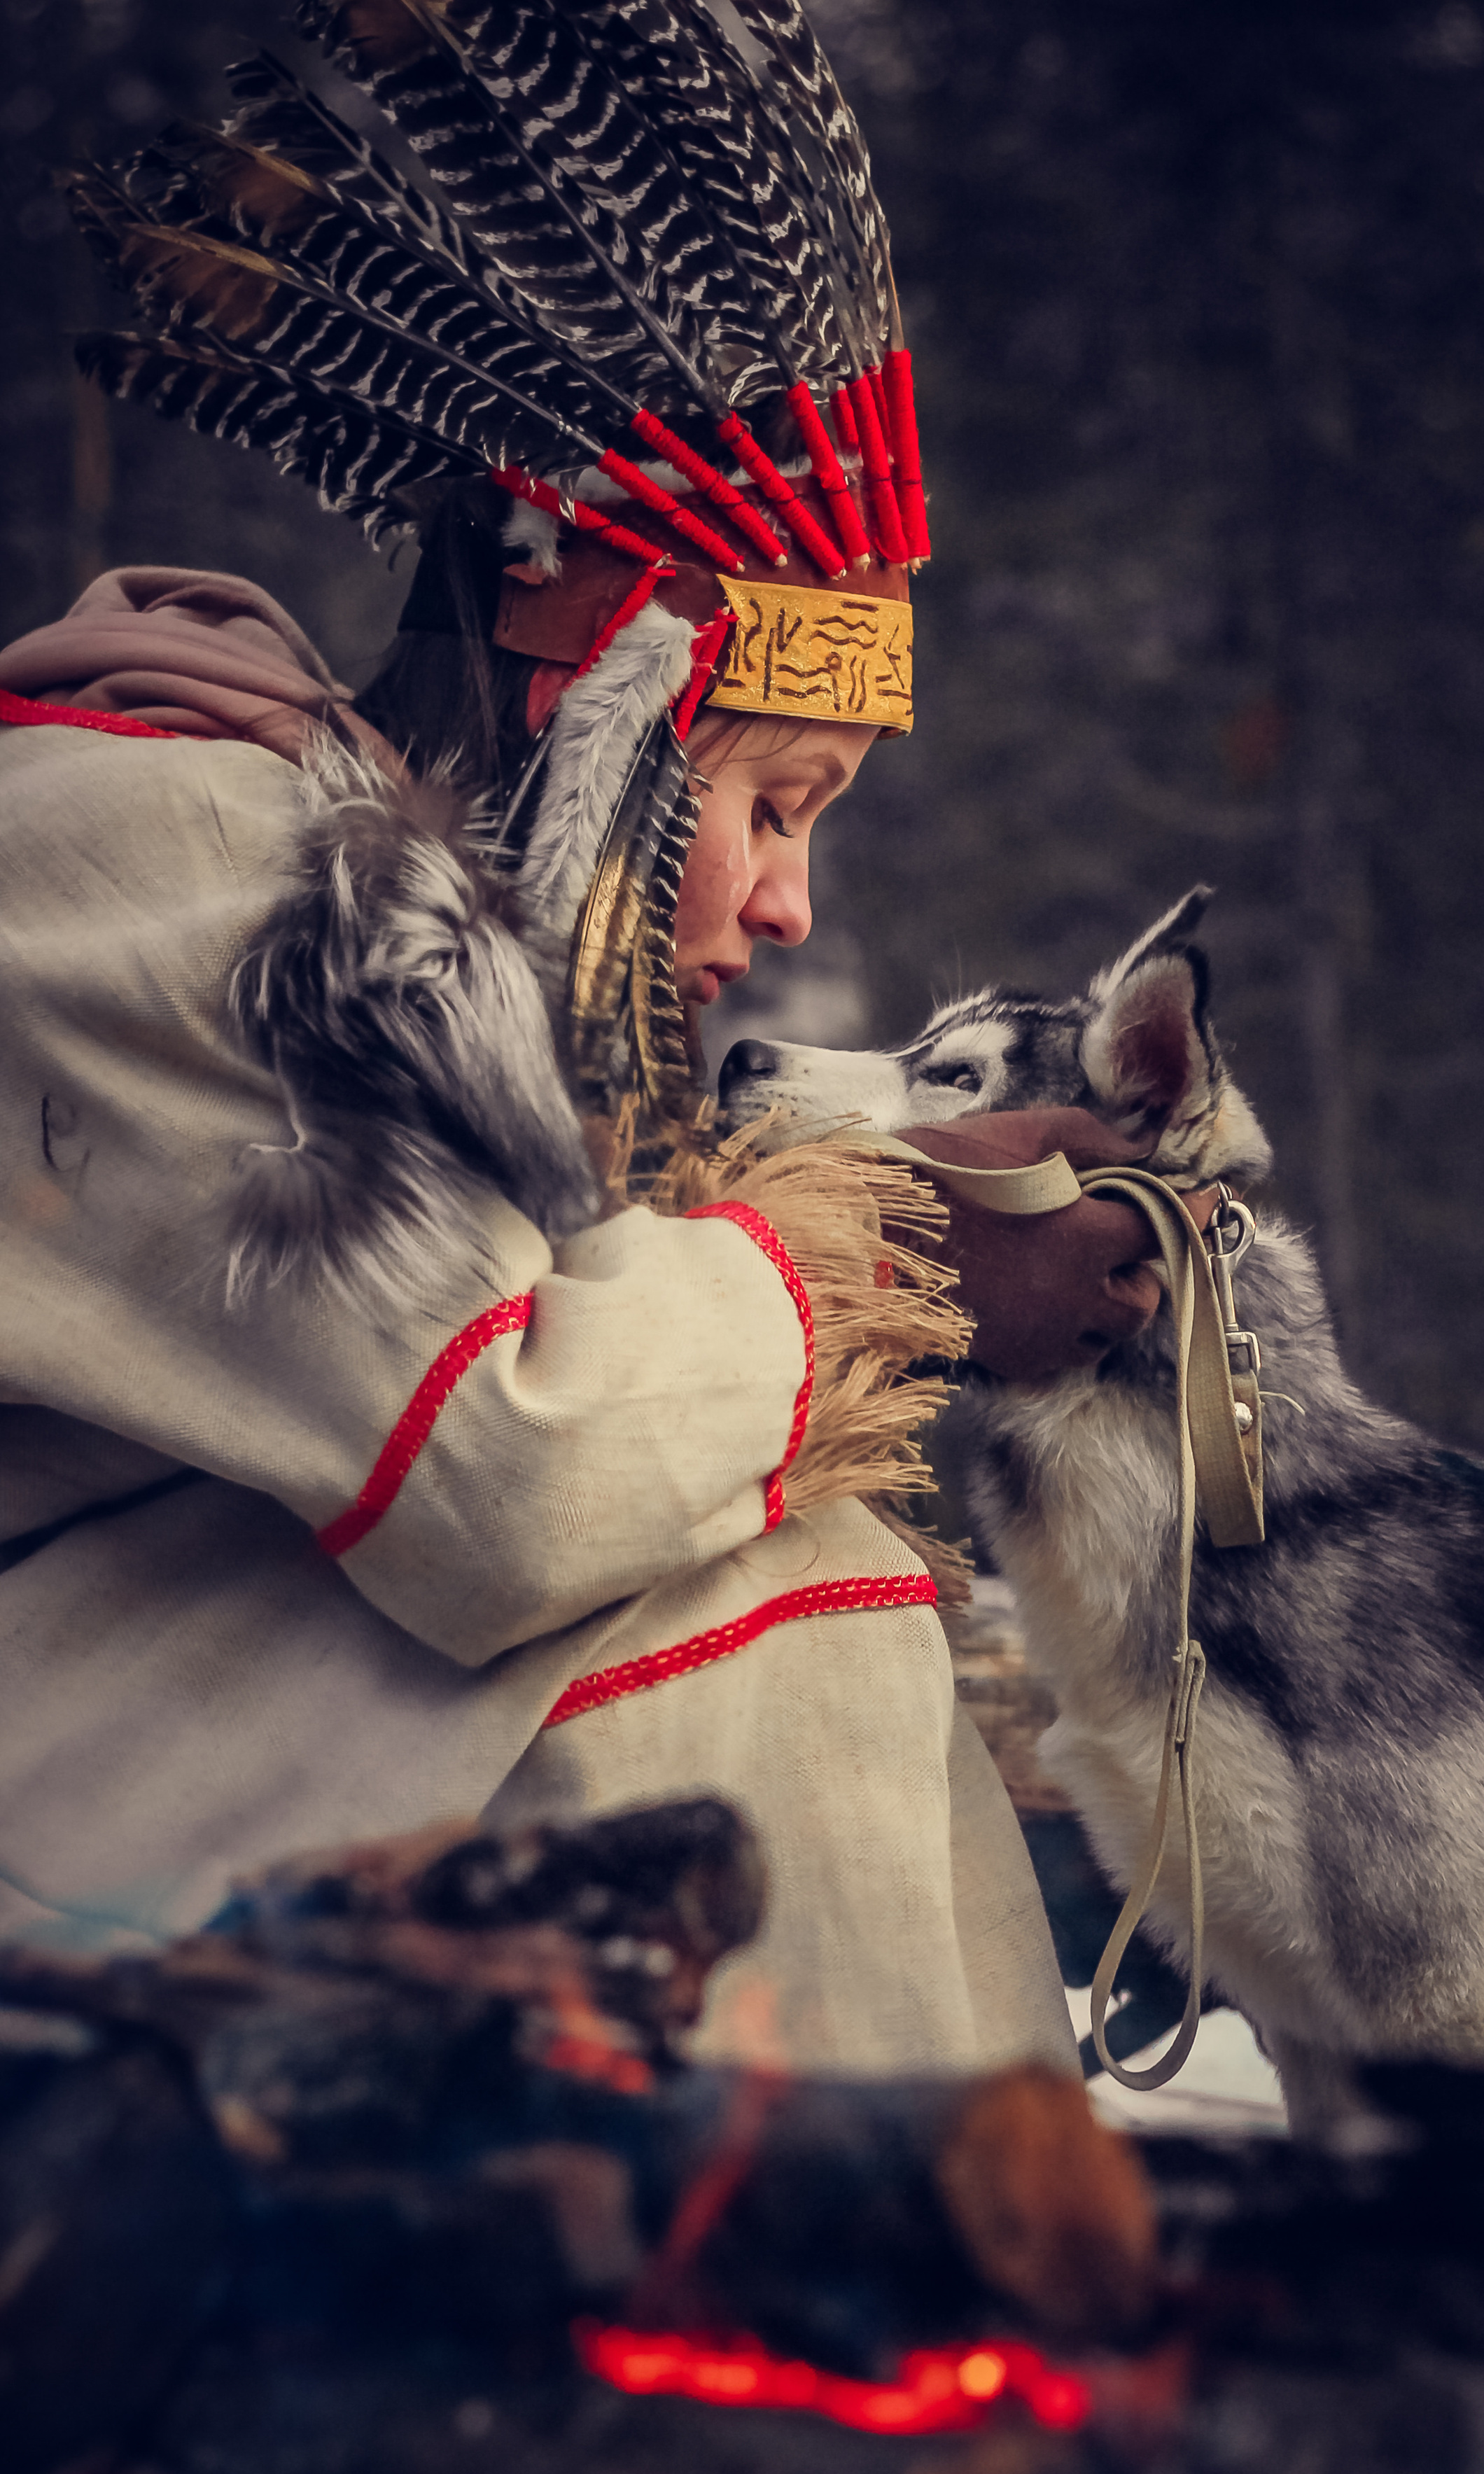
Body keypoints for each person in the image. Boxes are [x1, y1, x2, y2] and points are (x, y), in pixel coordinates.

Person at [0, 1, 1163, 2075]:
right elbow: (512, 1471)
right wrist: (872, 1248)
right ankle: (892, 2313)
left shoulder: (306, 893)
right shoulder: (155, 842)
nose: (791, 904)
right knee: (752, 1578)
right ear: (605, 713)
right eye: (769, 797)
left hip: (95, 1741)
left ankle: (954, 2275)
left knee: (754, 1525)